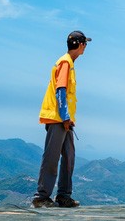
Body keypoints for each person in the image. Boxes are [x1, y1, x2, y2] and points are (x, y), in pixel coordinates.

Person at [32, 30, 91, 208]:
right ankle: (41, 197)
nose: (85, 47)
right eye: (85, 44)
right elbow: (61, 91)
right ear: (80, 45)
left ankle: (64, 196)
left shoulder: (68, 63)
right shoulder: (65, 63)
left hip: (64, 120)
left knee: (69, 156)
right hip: (58, 119)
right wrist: (65, 117)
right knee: (52, 157)